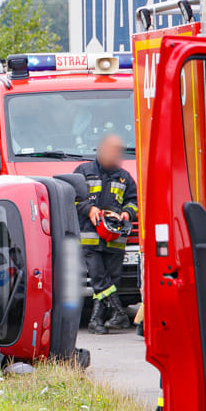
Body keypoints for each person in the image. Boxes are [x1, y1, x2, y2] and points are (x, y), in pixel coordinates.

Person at [74, 134, 139, 334]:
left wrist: (124, 214)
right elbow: (73, 198)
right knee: (99, 278)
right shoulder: (83, 172)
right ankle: (119, 313)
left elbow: (134, 202)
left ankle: (96, 321)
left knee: (111, 279)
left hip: (115, 239)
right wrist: (90, 209)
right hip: (90, 239)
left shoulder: (125, 177)